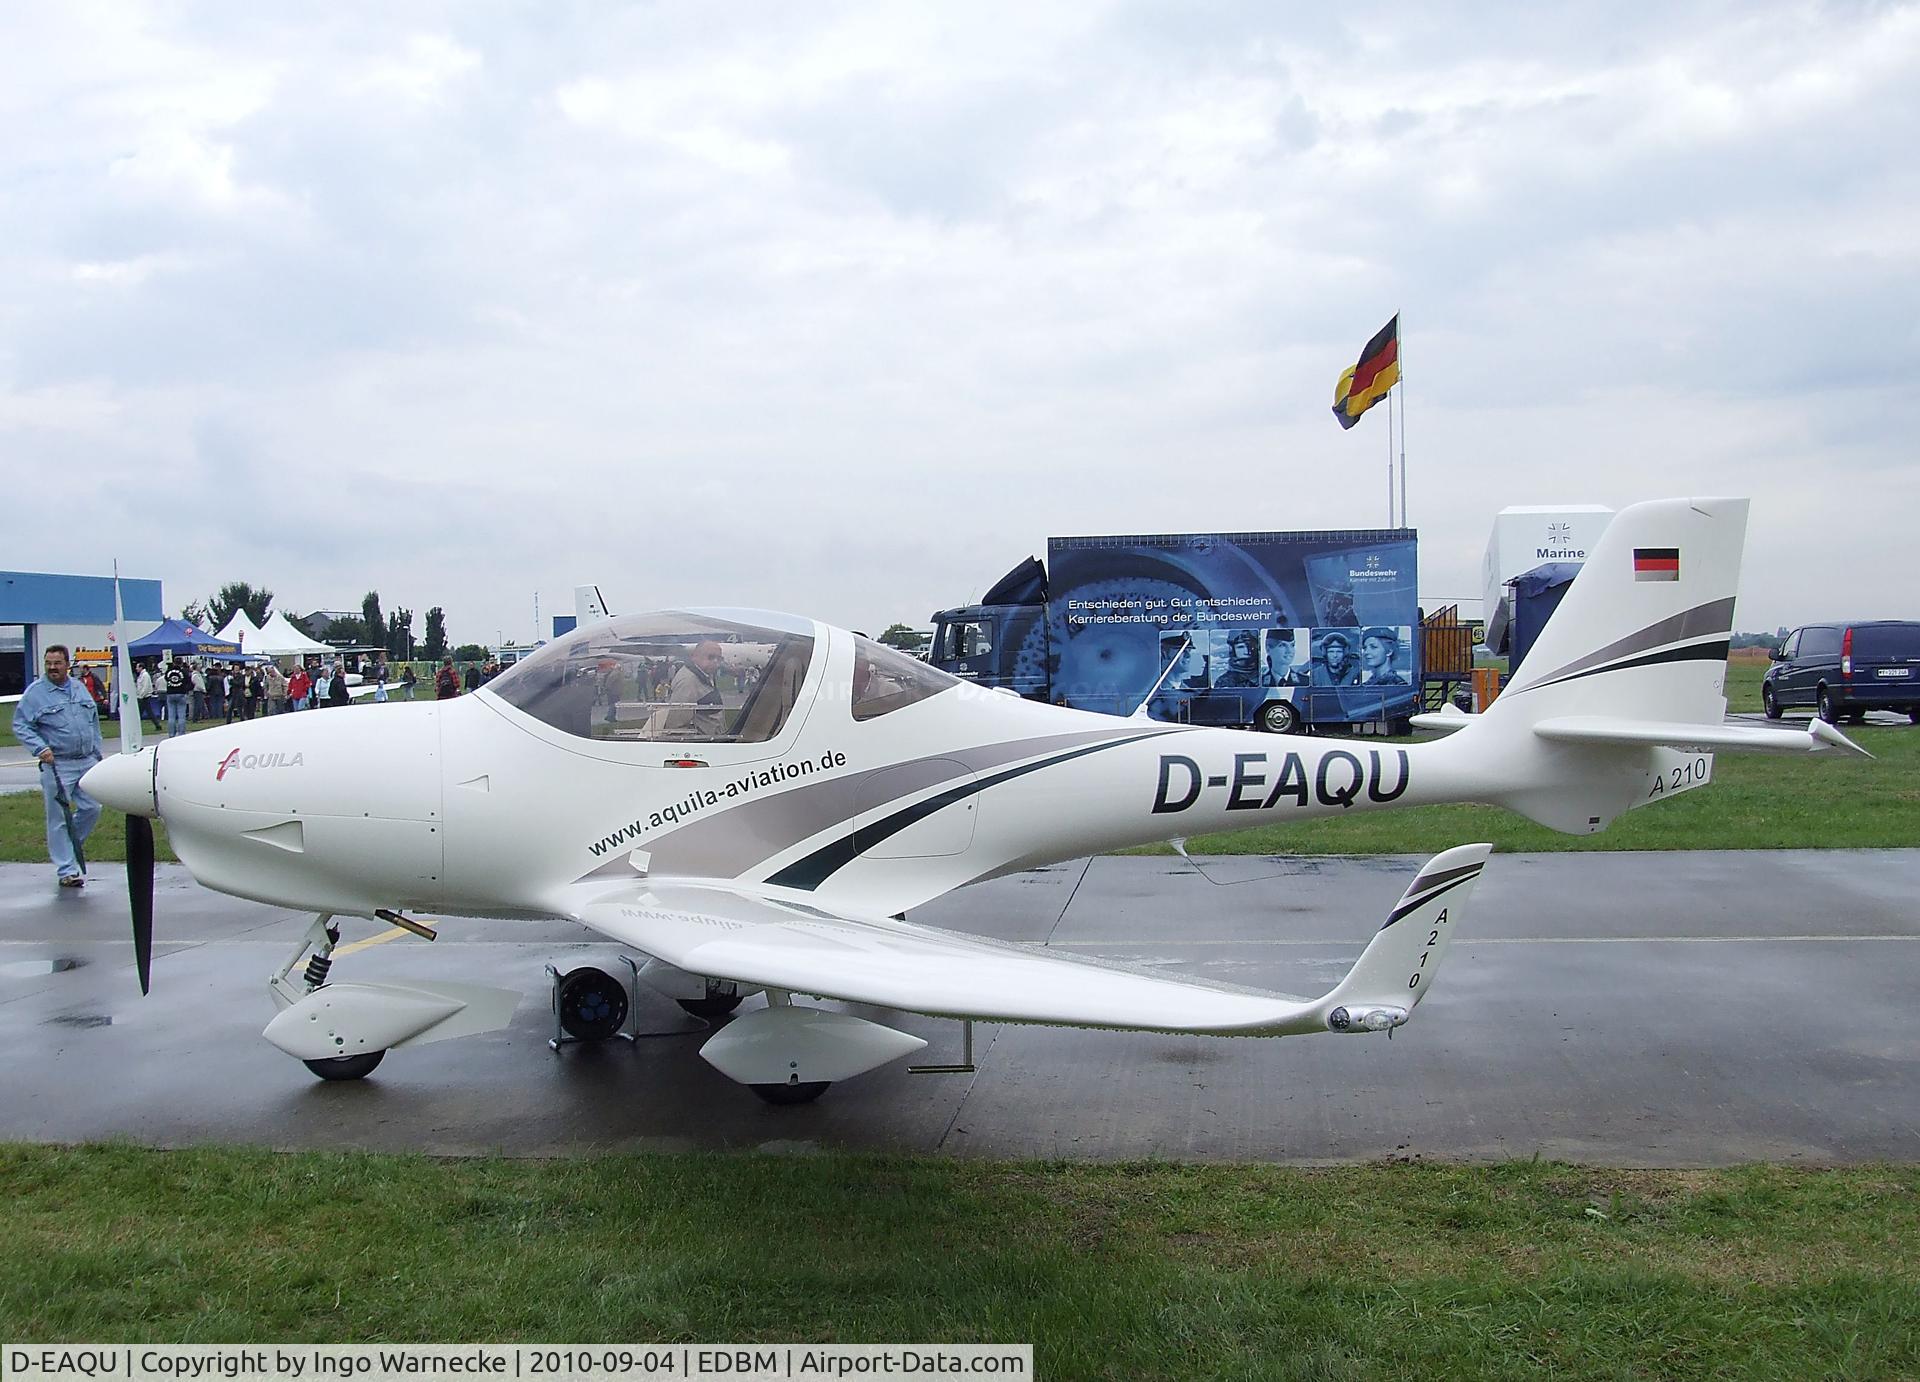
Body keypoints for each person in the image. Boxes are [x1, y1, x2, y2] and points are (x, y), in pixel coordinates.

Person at [12, 645, 105, 888]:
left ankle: (70, 848)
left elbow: (92, 722)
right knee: (58, 817)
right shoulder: (35, 694)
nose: (53, 667)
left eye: (57, 663)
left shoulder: (79, 688)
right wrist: (40, 749)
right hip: (57, 764)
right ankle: (67, 870)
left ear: (67, 664)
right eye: (48, 663)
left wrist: (97, 752)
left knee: (92, 807)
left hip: (85, 761)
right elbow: (21, 725)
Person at [663, 640, 727, 737]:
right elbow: (676, 726)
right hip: (703, 744)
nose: (716, 662)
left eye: (719, 658)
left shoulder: (704, 674)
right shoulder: (688, 681)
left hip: (712, 740)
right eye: (711, 657)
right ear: (695, 656)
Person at [161, 656, 191, 735]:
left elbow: (166, 679)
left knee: (171, 716)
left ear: (174, 662)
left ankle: (171, 734)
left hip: (170, 693)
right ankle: (181, 733)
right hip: (181, 693)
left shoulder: (168, 672)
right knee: (181, 716)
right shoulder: (184, 672)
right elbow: (189, 682)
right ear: (181, 663)